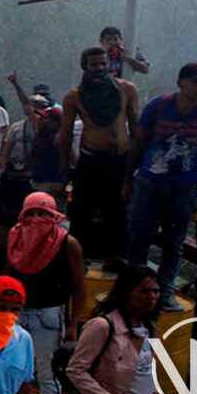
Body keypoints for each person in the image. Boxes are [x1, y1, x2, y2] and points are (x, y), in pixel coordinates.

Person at [126, 62, 197, 310]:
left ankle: (165, 292)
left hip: (185, 186)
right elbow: (138, 144)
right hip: (150, 181)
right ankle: (131, 288)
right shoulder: (158, 107)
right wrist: (127, 179)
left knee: (174, 242)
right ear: (181, 83)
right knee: (140, 236)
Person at [4, 192, 86, 394]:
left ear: (54, 216)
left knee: (48, 375)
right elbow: (7, 277)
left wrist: (73, 324)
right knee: (15, 371)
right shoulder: (15, 237)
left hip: (48, 317)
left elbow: (79, 286)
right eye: (32, 213)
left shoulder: (67, 243)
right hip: (16, 315)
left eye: (44, 214)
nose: (37, 219)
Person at [66, 265, 176, 394]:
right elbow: (75, 370)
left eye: (156, 291)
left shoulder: (149, 330)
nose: (152, 297)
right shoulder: (103, 326)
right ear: (126, 293)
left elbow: (145, 373)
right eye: (144, 291)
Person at [59, 47, 140, 263]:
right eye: (95, 65)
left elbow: (136, 130)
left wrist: (134, 167)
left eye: (104, 64)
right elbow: (65, 134)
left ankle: (117, 262)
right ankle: (78, 261)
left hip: (120, 161)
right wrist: (65, 166)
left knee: (119, 213)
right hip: (91, 161)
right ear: (85, 66)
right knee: (81, 213)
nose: (100, 69)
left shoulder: (127, 90)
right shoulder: (75, 96)